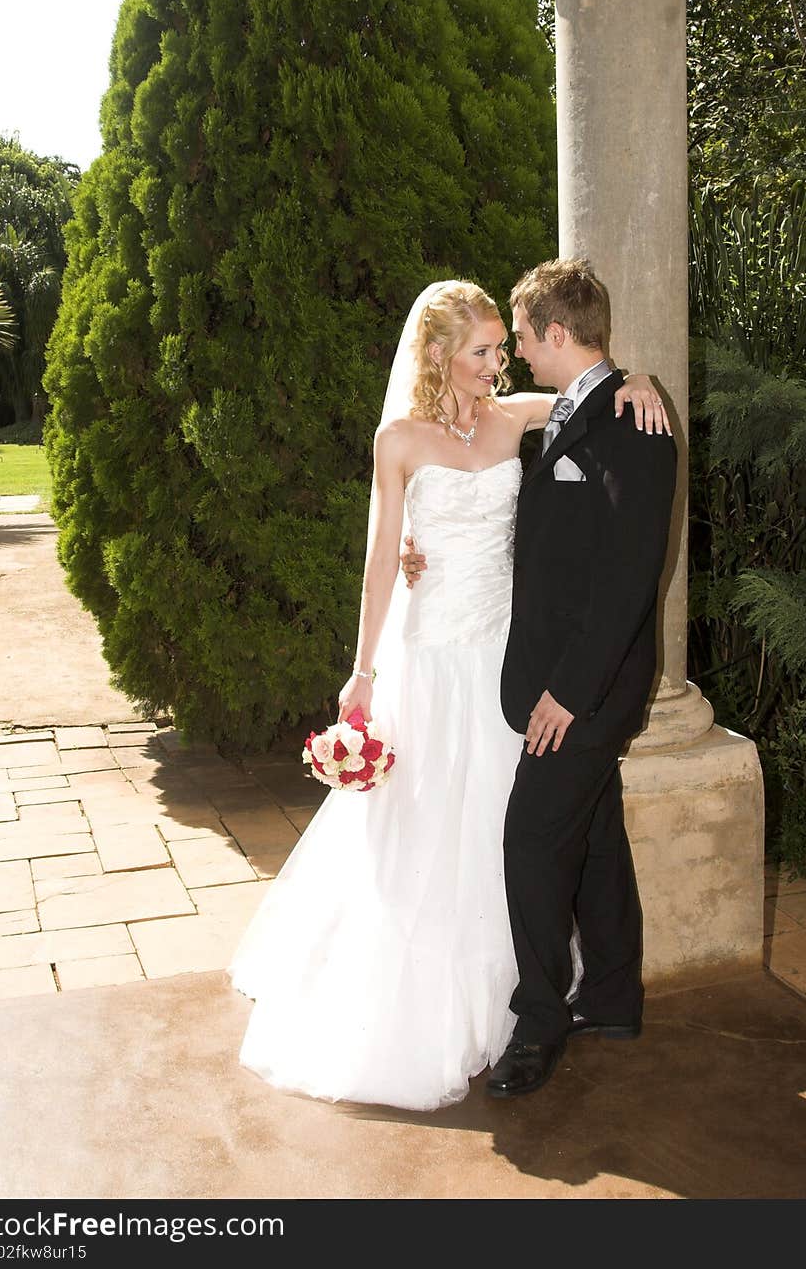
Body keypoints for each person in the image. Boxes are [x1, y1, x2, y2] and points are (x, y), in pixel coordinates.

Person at [229, 276, 670, 1111]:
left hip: (509, 660)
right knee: (433, 828)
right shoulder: (398, 441)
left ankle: (535, 1001)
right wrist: (364, 669)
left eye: (505, 348)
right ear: (438, 354)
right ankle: (440, 1006)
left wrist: (644, 382)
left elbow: (593, 391)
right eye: (482, 351)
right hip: (431, 654)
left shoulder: (514, 417)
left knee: (515, 825)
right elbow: (381, 560)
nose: (498, 364)